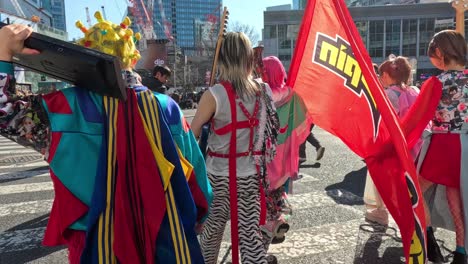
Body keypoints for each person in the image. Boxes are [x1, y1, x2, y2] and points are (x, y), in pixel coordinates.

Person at [0, 16, 212, 263]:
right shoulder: (168, 108)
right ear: (132, 57)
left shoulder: (61, 107)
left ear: (82, 55)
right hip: (163, 237)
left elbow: (6, 115)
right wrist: (197, 219)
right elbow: (197, 177)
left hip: (92, 242)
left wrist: (4, 53)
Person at [191, 32, 279, 264]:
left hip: (216, 178)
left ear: (223, 59)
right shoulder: (264, 91)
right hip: (250, 175)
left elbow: (193, 134)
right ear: (248, 57)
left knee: (210, 237)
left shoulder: (214, 94)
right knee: (251, 238)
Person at [416, 30, 468, 264]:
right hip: (464, 145)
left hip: (441, 144)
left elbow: (417, 118)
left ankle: (428, 240)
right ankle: (461, 251)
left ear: (439, 52)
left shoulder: (436, 82)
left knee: (416, 191)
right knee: (457, 198)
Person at [364, 55, 422, 226]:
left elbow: (383, 123)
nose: (381, 78)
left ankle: (380, 211)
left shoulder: (389, 94)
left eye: (382, 75)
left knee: (380, 176)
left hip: (392, 146)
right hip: (415, 144)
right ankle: (412, 213)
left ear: (388, 76)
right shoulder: (414, 91)